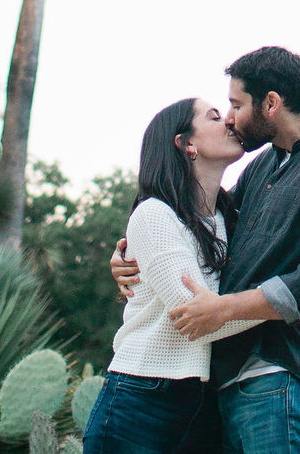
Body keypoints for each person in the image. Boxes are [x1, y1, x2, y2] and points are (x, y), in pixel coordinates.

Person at [110, 47, 300, 454]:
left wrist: (232, 308)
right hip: (228, 383)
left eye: (235, 104)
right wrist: (132, 255)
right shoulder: (265, 166)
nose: (231, 117)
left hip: (284, 376)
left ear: (271, 103)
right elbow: (202, 232)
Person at [82, 96, 257, 454]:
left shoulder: (230, 220)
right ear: (186, 143)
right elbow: (195, 316)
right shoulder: (153, 216)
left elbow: (274, 276)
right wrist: (290, 304)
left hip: (203, 405)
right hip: (140, 400)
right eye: (212, 117)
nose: (228, 121)